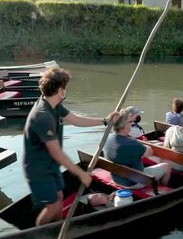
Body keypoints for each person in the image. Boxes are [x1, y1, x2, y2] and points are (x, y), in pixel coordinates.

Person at [23, 67, 118, 226]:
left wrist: (104, 121)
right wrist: (81, 174)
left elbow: (76, 120)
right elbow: (56, 153)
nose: (66, 91)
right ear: (60, 90)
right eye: (65, 88)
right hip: (38, 169)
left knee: (59, 199)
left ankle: (59, 230)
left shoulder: (54, 104)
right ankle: (39, 234)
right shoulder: (43, 115)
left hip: (50, 166)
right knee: (52, 206)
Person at [104, 109, 171, 189]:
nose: (131, 124)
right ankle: (163, 189)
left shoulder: (107, 138)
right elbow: (149, 152)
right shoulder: (132, 143)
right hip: (134, 182)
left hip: (116, 179)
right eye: (129, 122)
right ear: (123, 126)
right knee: (167, 166)